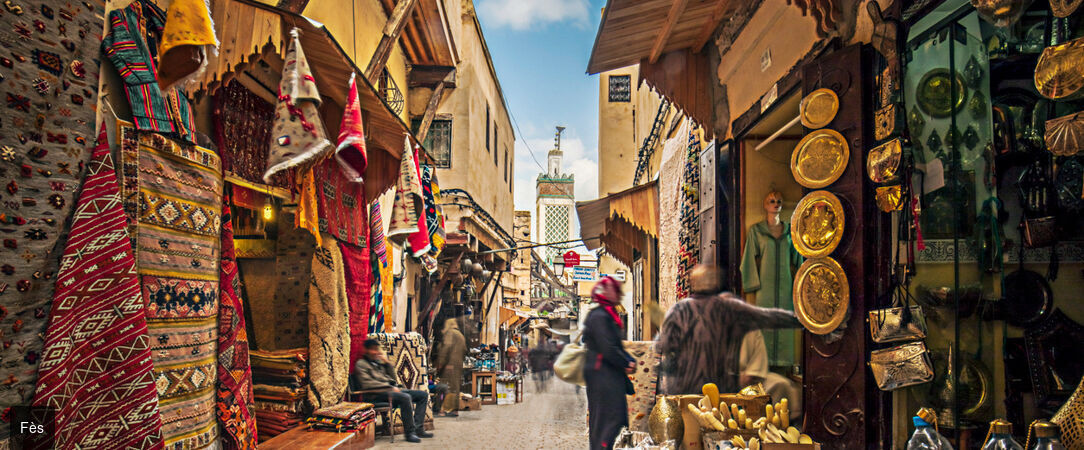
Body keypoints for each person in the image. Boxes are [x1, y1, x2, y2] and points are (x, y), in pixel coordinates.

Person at [656, 264, 802, 395]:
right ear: (716, 283)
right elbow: (768, 317)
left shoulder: (678, 310)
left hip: (684, 389)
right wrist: (800, 320)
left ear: (692, 283)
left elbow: (662, 346)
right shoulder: (729, 307)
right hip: (719, 390)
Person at [583, 276, 636, 450]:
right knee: (607, 420)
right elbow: (607, 347)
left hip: (608, 375)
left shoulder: (606, 314)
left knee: (612, 419)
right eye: (614, 289)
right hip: (603, 376)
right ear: (605, 292)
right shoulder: (599, 316)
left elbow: (614, 345)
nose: (618, 293)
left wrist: (628, 360)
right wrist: (625, 362)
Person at [354, 339, 433, 443]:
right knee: (405, 398)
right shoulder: (361, 364)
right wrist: (389, 387)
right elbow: (367, 384)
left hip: (390, 392)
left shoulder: (378, 363)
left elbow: (393, 379)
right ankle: (410, 433)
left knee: (422, 395)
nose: (375, 352)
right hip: (375, 394)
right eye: (373, 350)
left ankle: (419, 429)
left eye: (376, 349)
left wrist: (387, 364)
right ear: (366, 350)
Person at [435, 317, 466, 417]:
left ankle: (442, 410)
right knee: (455, 387)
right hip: (458, 364)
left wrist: (441, 362)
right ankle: (455, 409)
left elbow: (446, 348)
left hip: (449, 365)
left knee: (444, 386)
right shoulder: (461, 335)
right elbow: (464, 350)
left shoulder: (450, 333)